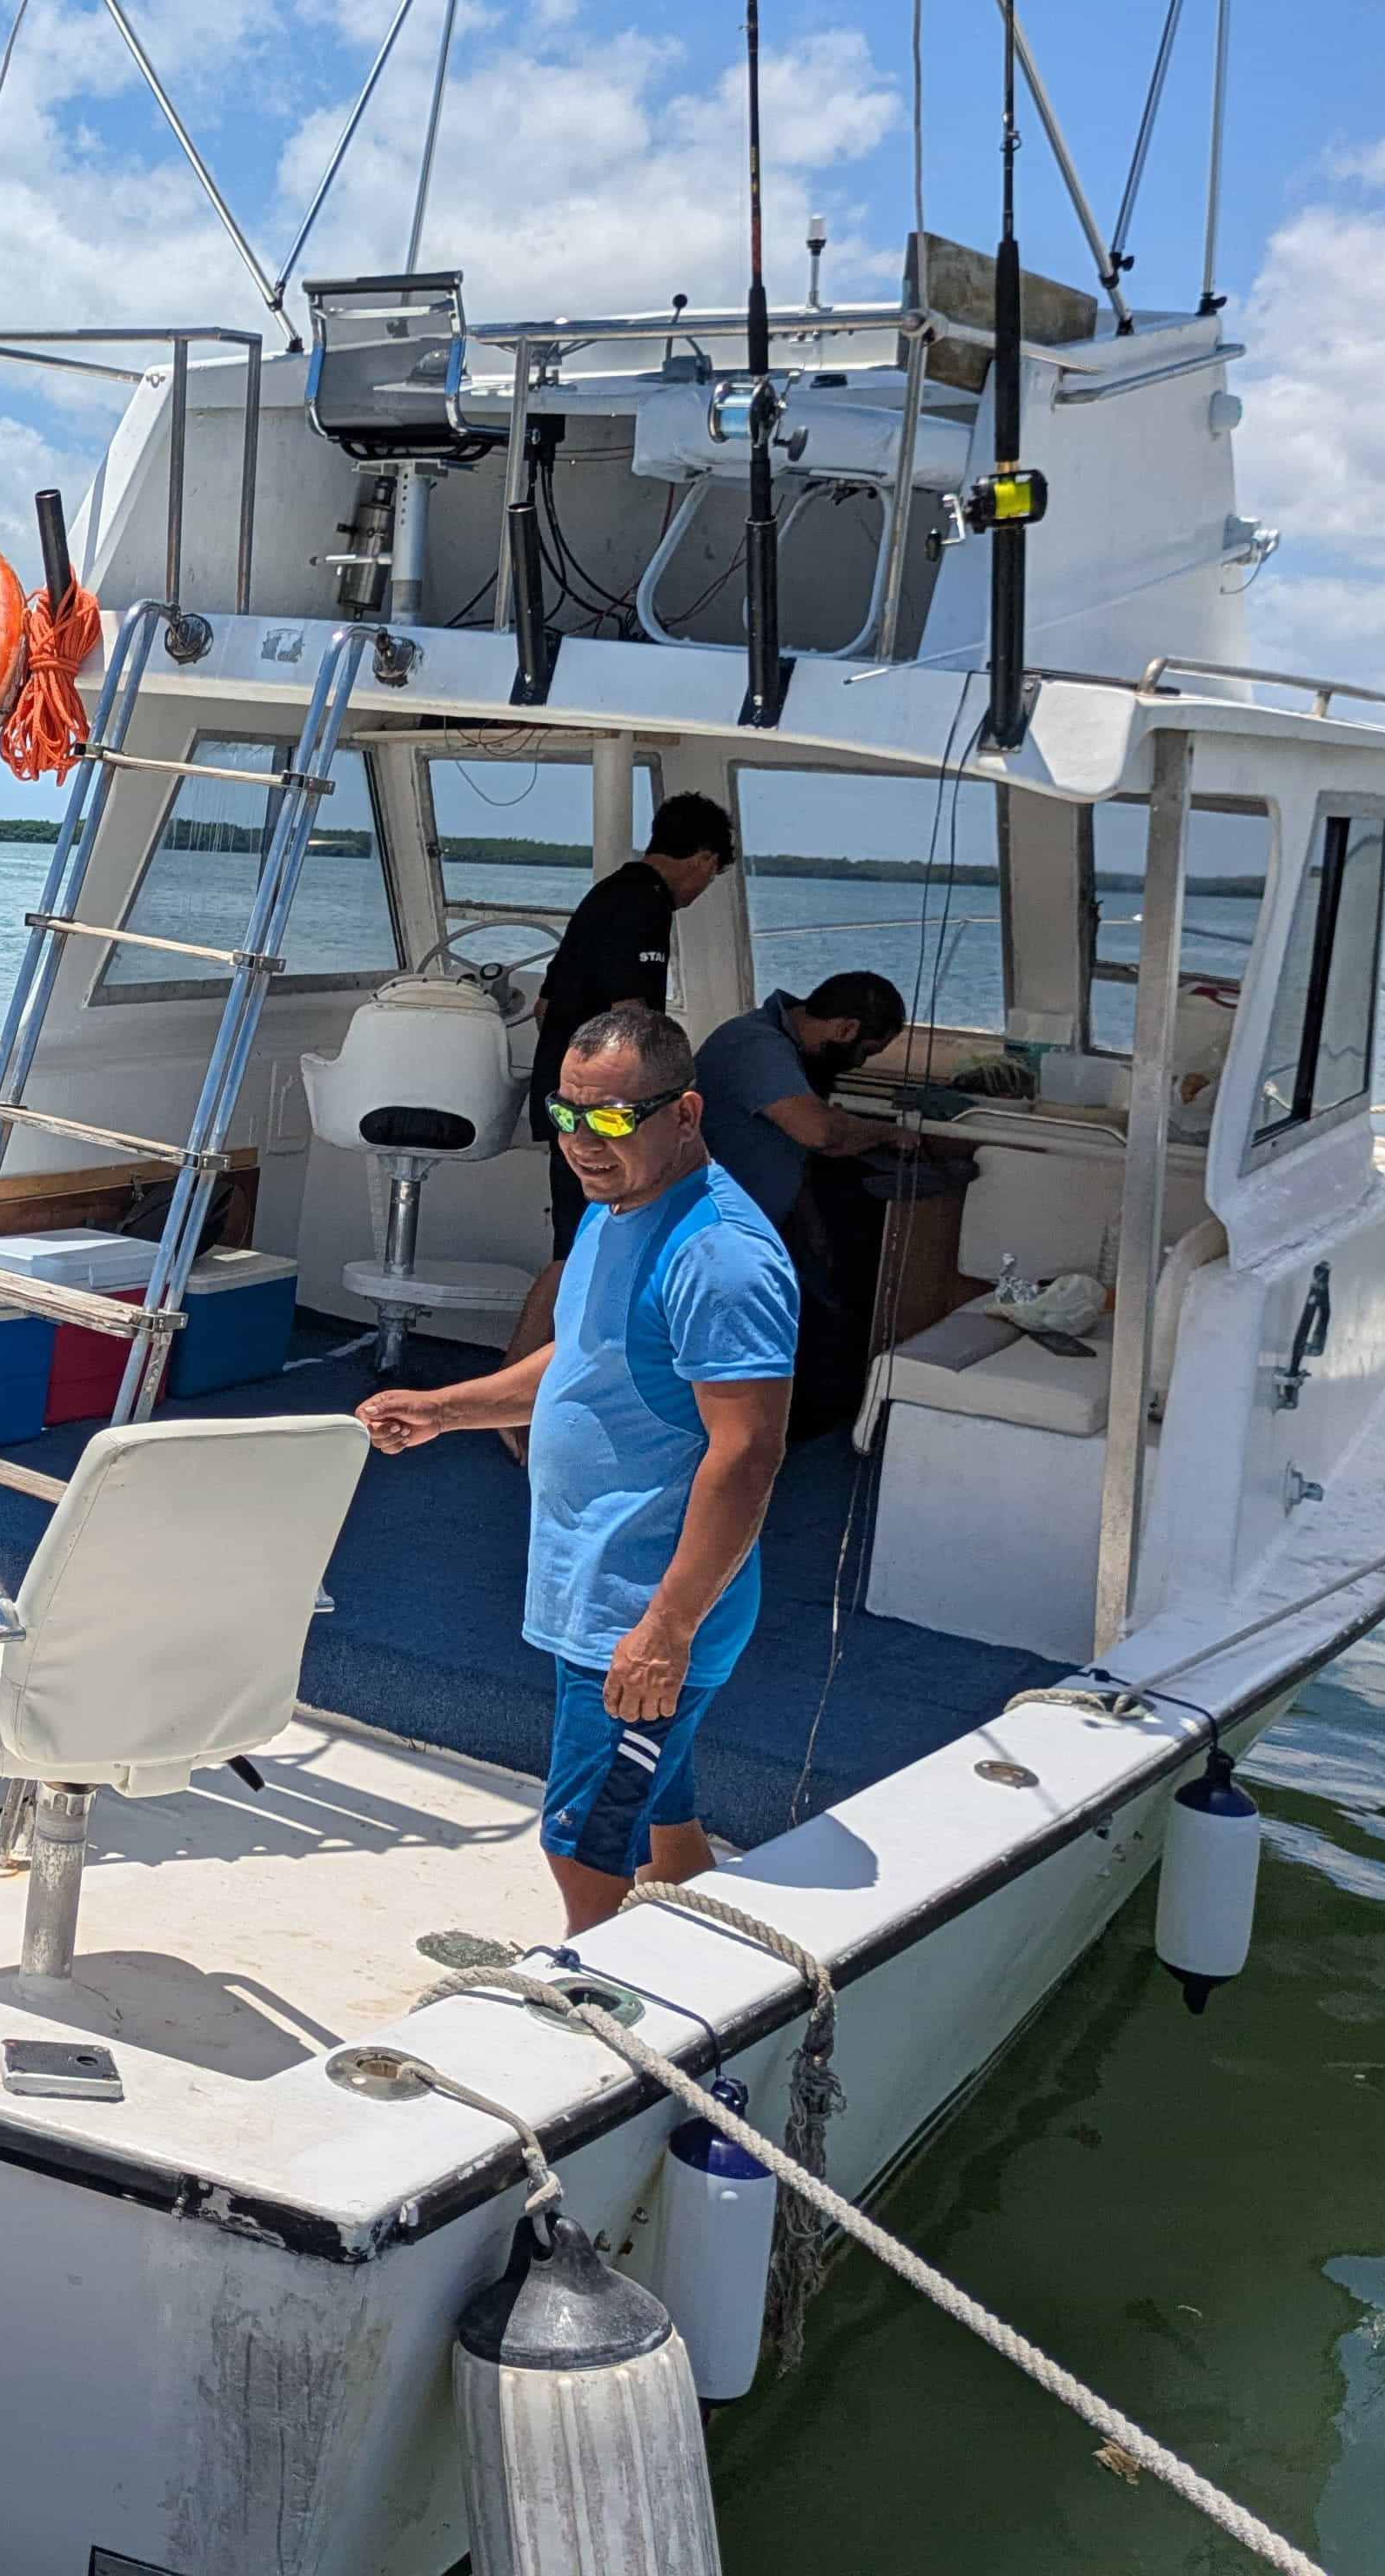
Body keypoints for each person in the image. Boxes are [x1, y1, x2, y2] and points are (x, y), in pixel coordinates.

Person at [358, 1008, 796, 1933]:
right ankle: (710, 1966)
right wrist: (444, 1410)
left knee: (580, 1843)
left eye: (609, 1120)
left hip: (639, 1617)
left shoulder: (720, 1258)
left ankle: (603, 2018)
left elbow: (748, 1452)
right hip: (596, 1591)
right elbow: (583, 1358)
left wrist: (664, 1630)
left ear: (683, 1112)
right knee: (660, 1824)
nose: (582, 1144)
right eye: (565, 1115)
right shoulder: (617, 1206)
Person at [698, 971, 914, 1436]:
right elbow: (819, 1134)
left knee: (826, 1321)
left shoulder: (788, 1052)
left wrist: (808, 1221)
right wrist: (889, 1133)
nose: (858, 1063)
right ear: (845, 1030)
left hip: (768, 1220)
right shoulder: (756, 1046)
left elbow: (785, 1153)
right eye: (865, 1052)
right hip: (715, 1230)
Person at [527, 792, 736, 1262]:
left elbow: (546, 1009)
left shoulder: (608, 893)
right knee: (596, 1249)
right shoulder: (646, 904)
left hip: (567, 1106)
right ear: (705, 859)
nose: (703, 886)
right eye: (711, 873)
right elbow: (632, 1020)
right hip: (607, 1118)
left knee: (576, 1247)